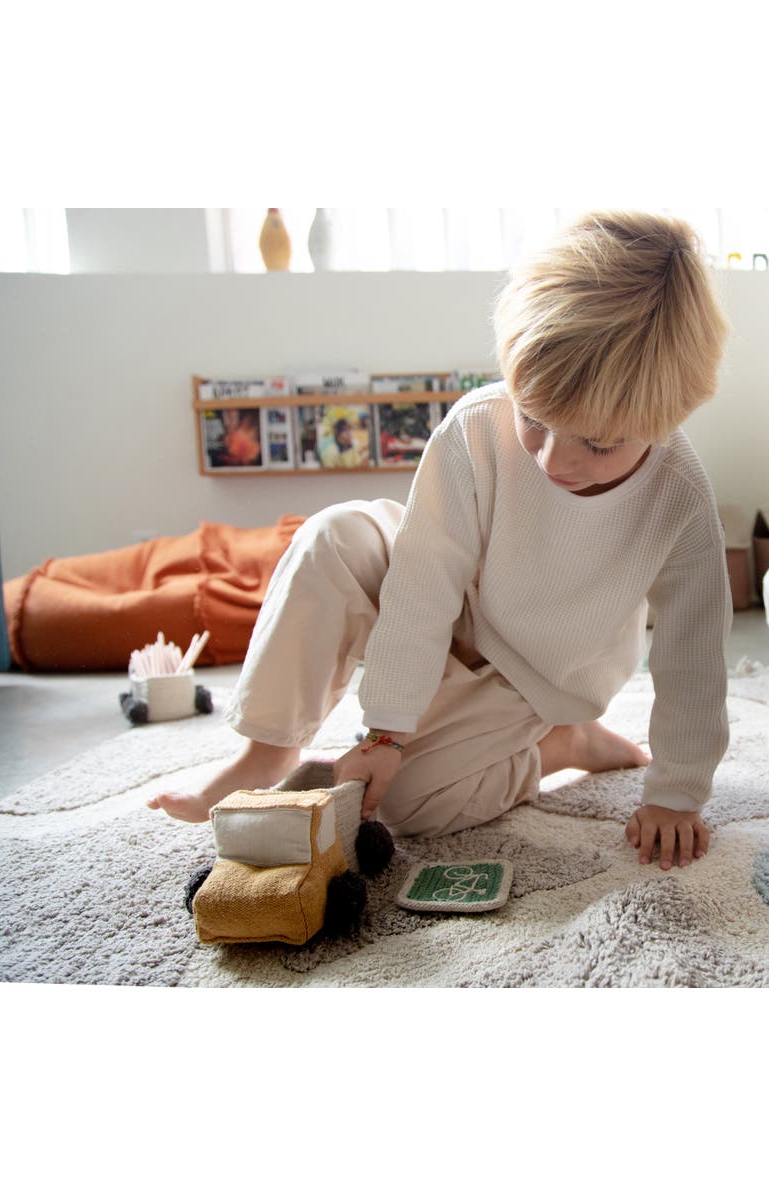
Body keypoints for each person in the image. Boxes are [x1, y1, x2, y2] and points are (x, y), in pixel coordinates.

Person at [149, 210, 732, 873]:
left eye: (597, 444)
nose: (551, 462)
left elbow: (693, 657)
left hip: (537, 675)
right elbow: (423, 579)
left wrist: (678, 793)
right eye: (535, 421)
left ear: (669, 418)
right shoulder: (476, 429)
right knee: (333, 538)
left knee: (410, 804)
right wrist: (384, 730)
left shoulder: (679, 498)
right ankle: (268, 748)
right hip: (458, 602)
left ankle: (567, 745)